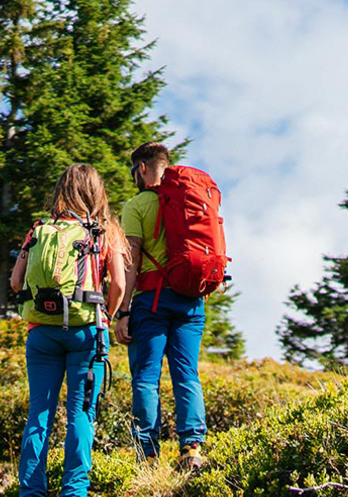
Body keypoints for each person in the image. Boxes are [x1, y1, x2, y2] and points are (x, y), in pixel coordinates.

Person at [13, 164, 129, 497]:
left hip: (41, 333)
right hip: (87, 332)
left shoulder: (39, 229)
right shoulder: (106, 230)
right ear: (97, 191)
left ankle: (31, 491)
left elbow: (16, 281)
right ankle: (74, 491)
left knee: (40, 413)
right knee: (80, 413)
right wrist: (107, 311)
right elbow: (119, 283)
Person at [112, 142, 209, 469]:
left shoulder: (137, 205)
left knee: (145, 377)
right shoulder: (191, 200)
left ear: (141, 168)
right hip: (190, 300)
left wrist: (123, 310)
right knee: (187, 375)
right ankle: (192, 449)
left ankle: (148, 455)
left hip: (150, 301)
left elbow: (132, 258)